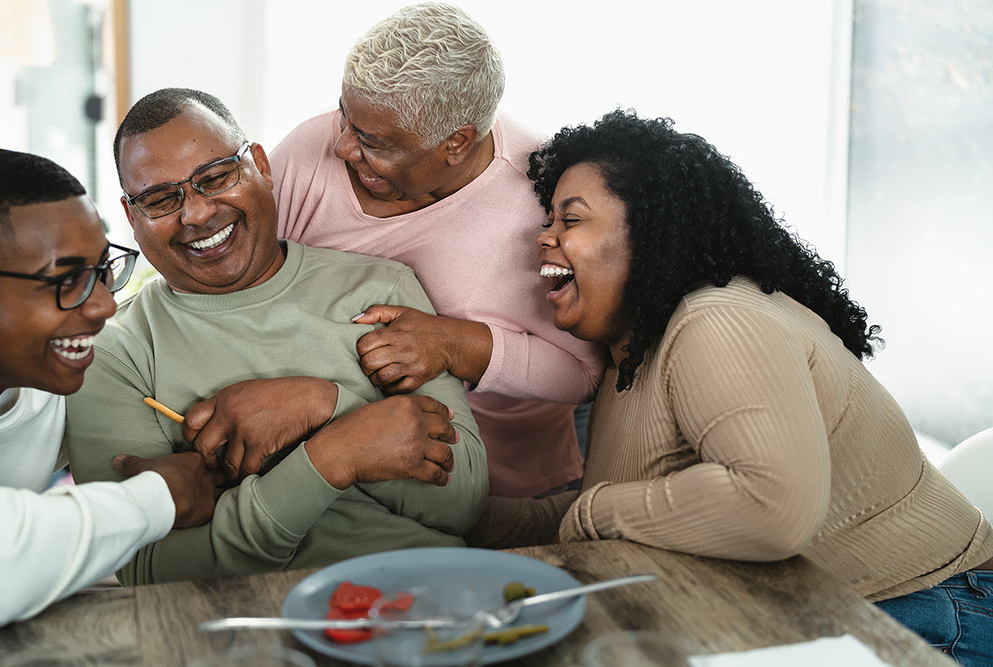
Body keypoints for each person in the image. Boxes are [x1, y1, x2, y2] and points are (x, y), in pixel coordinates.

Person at [468, 110, 993, 666]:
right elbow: (628, 511)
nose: (543, 236)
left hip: (936, 613)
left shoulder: (715, 321)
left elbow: (771, 506)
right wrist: (462, 520)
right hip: (840, 612)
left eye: (570, 220)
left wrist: (592, 511)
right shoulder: (633, 353)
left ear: (649, 234)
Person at [65, 88, 488, 586]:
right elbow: (150, 570)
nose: (196, 214)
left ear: (261, 167)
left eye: (216, 177)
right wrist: (332, 456)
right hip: (237, 629)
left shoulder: (381, 288)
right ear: (132, 217)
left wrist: (323, 404)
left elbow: (463, 501)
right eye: (160, 199)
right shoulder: (115, 354)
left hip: (427, 602)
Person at [271, 2, 603, 498]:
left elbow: (583, 372)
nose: (341, 146)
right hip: (341, 469)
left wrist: (453, 344)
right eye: (345, 115)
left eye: (372, 140)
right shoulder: (308, 151)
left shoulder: (546, 198)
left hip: (503, 477)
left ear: (457, 143)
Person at [0, 148, 218, 625]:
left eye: (102, 272)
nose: (102, 307)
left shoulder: (49, 378)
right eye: (68, 279)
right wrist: (162, 495)